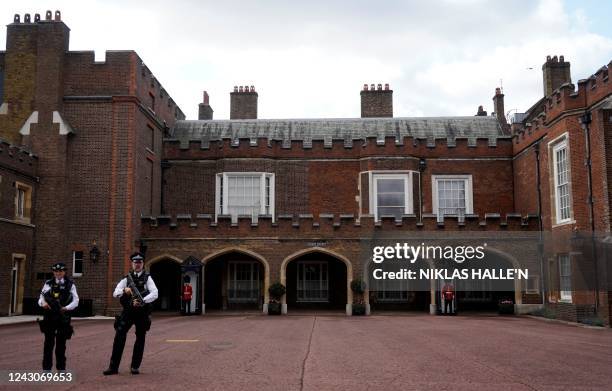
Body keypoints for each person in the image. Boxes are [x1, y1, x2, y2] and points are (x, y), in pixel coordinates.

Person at [103, 252, 158, 375]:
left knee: (140, 338)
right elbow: (115, 293)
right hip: (128, 312)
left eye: (139, 263)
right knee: (119, 337)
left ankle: (135, 366)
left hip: (141, 312)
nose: (137, 265)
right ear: (132, 263)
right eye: (135, 262)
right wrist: (124, 290)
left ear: (143, 264)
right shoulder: (126, 278)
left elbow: (155, 293)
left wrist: (142, 301)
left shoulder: (147, 278)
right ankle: (113, 367)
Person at [38, 262, 79, 371]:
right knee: (48, 344)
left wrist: (67, 308)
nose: (58, 273)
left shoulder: (70, 284)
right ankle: (46, 369)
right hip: (49, 317)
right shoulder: (48, 283)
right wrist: (43, 303)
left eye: (60, 271)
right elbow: (41, 298)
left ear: (64, 272)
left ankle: (61, 369)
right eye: (56, 271)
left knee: (61, 345)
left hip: (62, 317)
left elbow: (76, 300)